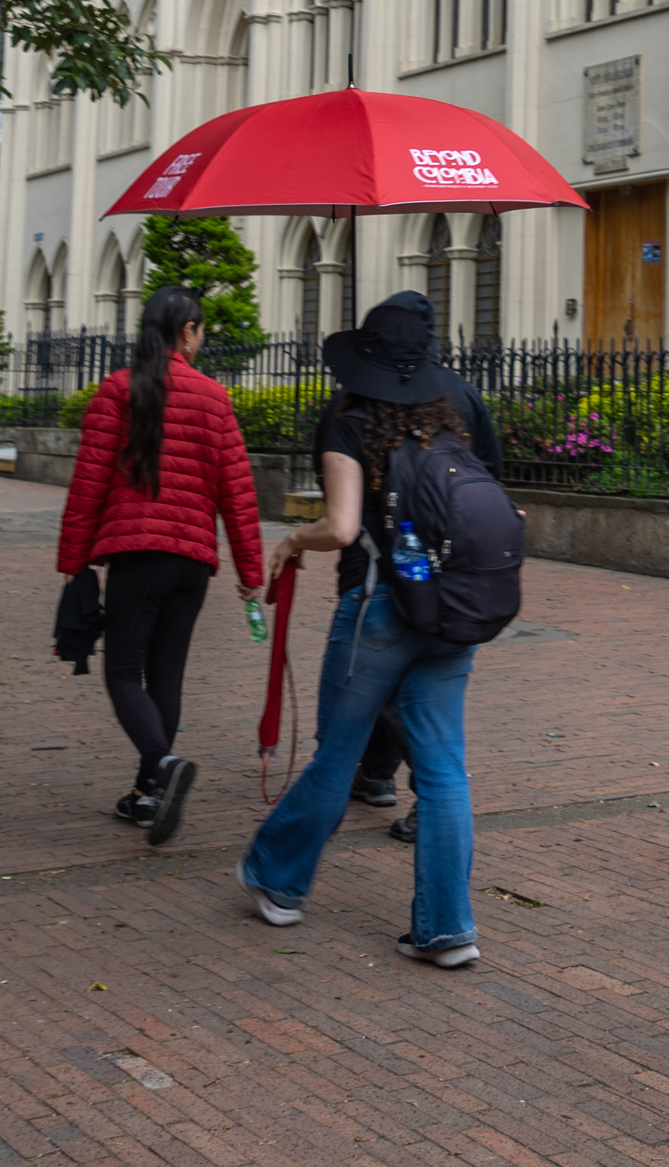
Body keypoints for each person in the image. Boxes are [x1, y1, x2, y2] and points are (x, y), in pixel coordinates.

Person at [237, 308, 490, 969]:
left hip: (380, 609)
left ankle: (278, 882)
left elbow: (344, 528)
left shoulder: (351, 425)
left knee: (338, 753)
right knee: (443, 769)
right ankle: (447, 929)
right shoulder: (450, 428)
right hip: (452, 613)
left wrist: (293, 539)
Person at [54, 286, 266, 846]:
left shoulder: (116, 391)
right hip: (192, 562)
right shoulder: (214, 398)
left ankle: (163, 766)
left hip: (137, 558)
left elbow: (88, 485)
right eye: (201, 331)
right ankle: (149, 794)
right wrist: (251, 573)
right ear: (189, 331)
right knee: (165, 675)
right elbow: (237, 494)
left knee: (123, 672)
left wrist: (74, 563)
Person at [325, 291, 504, 840]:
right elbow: (492, 479)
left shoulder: (352, 409)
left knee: (379, 690)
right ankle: (378, 774)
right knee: (415, 692)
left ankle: (284, 864)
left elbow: (343, 522)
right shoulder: (459, 396)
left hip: (377, 571)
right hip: (455, 576)